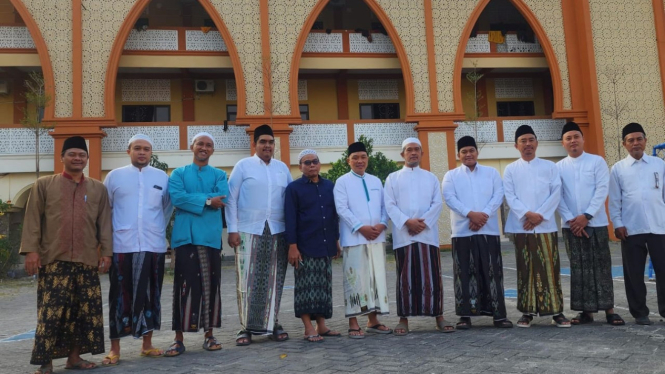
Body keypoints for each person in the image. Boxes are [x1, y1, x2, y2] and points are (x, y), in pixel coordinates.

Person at [20, 136, 113, 374]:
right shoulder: (44, 185)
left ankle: (74, 358)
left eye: (82, 155)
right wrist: (31, 251)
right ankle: (45, 362)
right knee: (51, 313)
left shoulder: (97, 188)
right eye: (72, 154)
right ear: (62, 157)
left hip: (87, 260)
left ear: (87, 159)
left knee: (82, 313)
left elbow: (104, 224)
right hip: (54, 259)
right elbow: (32, 219)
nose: (77, 158)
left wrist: (107, 253)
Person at [102, 134, 174, 366]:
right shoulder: (114, 177)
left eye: (146, 149)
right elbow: (106, 211)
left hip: (153, 245)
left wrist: (156, 230)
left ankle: (147, 344)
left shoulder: (161, 177)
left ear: (151, 153)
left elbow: (166, 208)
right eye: (137, 148)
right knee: (119, 296)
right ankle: (115, 348)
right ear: (128, 151)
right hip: (123, 245)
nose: (142, 152)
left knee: (151, 294)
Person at [226, 124, 292, 345]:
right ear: (255, 144)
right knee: (248, 280)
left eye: (271, 142)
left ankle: (272, 323)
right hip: (248, 230)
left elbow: (291, 202)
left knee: (274, 279)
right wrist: (232, 229)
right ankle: (246, 327)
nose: (267, 146)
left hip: (277, 230)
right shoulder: (243, 166)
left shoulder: (282, 168)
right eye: (263, 142)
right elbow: (231, 199)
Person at [164, 132, 228, 357]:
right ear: (192, 146)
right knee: (183, 287)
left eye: (208, 145)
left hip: (210, 238)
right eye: (200, 143)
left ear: (212, 150)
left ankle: (209, 335)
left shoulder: (220, 174)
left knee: (211, 286)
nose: (204, 147)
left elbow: (224, 197)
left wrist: (197, 199)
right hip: (185, 238)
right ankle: (178, 339)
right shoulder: (178, 174)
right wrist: (208, 200)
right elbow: (177, 198)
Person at [384, 137, 455, 335]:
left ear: (422, 153)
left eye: (417, 149)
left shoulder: (431, 177)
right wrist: (408, 222)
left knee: (432, 277)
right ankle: (403, 319)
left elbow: (437, 204)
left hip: (427, 236)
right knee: (404, 277)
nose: (413, 153)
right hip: (403, 235)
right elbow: (389, 204)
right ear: (402, 154)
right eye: (409, 150)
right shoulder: (392, 178)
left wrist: (420, 224)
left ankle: (439, 316)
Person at [557, 122, 625, 326]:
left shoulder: (597, 162)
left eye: (576, 136)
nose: (573, 141)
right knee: (579, 268)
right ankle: (584, 311)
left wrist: (586, 216)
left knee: (601, 266)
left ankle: (610, 311)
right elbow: (557, 197)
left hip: (596, 223)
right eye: (568, 138)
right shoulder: (558, 167)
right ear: (563, 143)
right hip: (571, 227)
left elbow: (602, 190)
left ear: (583, 139)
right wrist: (573, 220)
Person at [442, 136, 512, 329]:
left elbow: (498, 195)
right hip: (462, 232)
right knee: (464, 273)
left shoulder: (491, 173)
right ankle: (465, 316)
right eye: (464, 151)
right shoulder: (451, 175)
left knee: (492, 272)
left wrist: (484, 215)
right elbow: (449, 198)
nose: (468, 154)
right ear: (458, 155)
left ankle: (499, 315)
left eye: (471, 150)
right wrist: (470, 215)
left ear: (477, 152)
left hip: (488, 230)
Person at [503, 125, 570, 328]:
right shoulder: (510, 169)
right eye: (523, 141)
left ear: (537, 143)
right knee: (525, 269)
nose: (528, 144)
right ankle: (527, 312)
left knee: (550, 267)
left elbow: (556, 193)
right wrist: (527, 215)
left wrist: (539, 215)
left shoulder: (550, 167)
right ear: (516, 146)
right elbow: (509, 196)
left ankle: (556, 311)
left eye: (531, 140)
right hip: (521, 226)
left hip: (545, 226)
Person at [334, 141, 392, 339]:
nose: (360, 161)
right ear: (348, 161)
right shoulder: (342, 182)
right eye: (355, 157)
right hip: (354, 238)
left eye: (363, 157)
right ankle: (353, 323)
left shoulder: (376, 181)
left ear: (368, 159)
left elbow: (385, 206)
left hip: (376, 238)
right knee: (355, 281)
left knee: (375, 279)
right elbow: (342, 209)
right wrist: (361, 227)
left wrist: (383, 223)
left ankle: (373, 321)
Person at [609, 122, 665, 325]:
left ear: (645, 141)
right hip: (631, 228)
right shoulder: (618, 169)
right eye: (631, 140)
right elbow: (615, 201)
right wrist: (617, 223)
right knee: (634, 274)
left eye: (639, 139)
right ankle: (640, 312)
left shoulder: (659, 165)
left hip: (659, 226)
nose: (635, 143)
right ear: (624, 144)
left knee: (663, 270)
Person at [285, 149, 341, 343]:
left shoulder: (329, 186)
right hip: (304, 246)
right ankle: (308, 328)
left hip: (325, 243)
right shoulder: (294, 188)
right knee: (305, 288)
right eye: (306, 162)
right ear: (300, 167)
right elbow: (290, 219)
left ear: (319, 164)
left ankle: (321, 325)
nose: (311, 165)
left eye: (314, 161)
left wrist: (336, 240)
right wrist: (292, 246)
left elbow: (334, 216)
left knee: (323, 287)